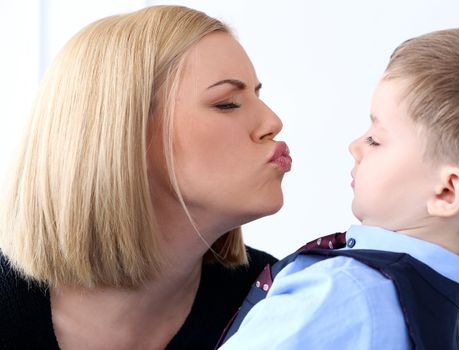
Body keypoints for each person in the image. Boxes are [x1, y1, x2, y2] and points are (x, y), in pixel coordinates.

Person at [0, 5, 292, 349]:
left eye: (257, 95)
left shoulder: (278, 304)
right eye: (227, 103)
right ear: (123, 135)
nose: (272, 122)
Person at [219, 28, 459, 349]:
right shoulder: (431, 317)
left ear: (447, 192)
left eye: (376, 140)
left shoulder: (342, 294)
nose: (355, 145)